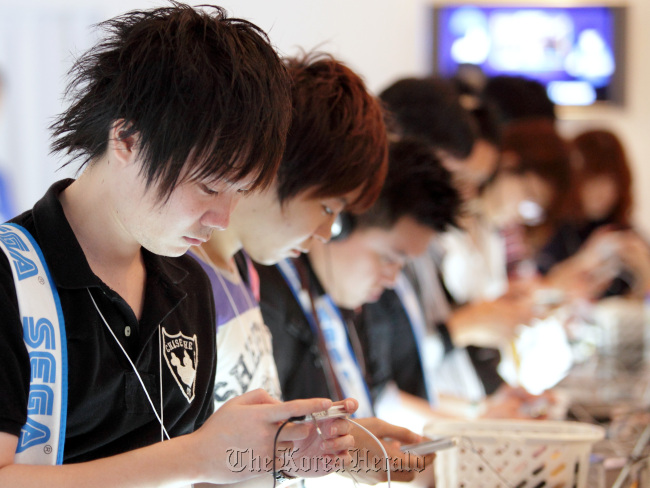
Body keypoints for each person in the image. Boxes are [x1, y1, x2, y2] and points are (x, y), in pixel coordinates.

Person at [0, 5, 355, 486]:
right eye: (210, 186)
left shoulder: (189, 283)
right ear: (126, 138)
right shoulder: (10, 276)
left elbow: (191, 469)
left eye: (240, 192)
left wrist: (274, 459)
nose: (223, 218)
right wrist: (197, 456)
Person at [190, 53, 429, 486]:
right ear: (278, 167)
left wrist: (339, 451)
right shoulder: (182, 276)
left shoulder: (245, 269)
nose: (325, 232)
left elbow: (243, 457)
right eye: (325, 208)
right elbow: (191, 464)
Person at [256, 138, 460, 424]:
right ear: (340, 224)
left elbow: (377, 396)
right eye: (389, 257)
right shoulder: (267, 298)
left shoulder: (359, 307)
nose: (392, 279)